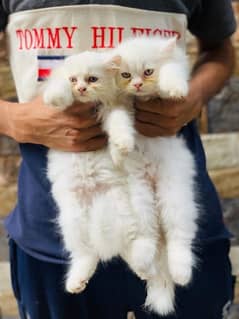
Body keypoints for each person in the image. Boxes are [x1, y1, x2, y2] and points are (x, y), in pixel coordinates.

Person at [0, 1, 236, 318]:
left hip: (167, 208)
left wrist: (193, 97)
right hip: (57, 223)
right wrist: (12, 118)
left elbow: (219, 49)